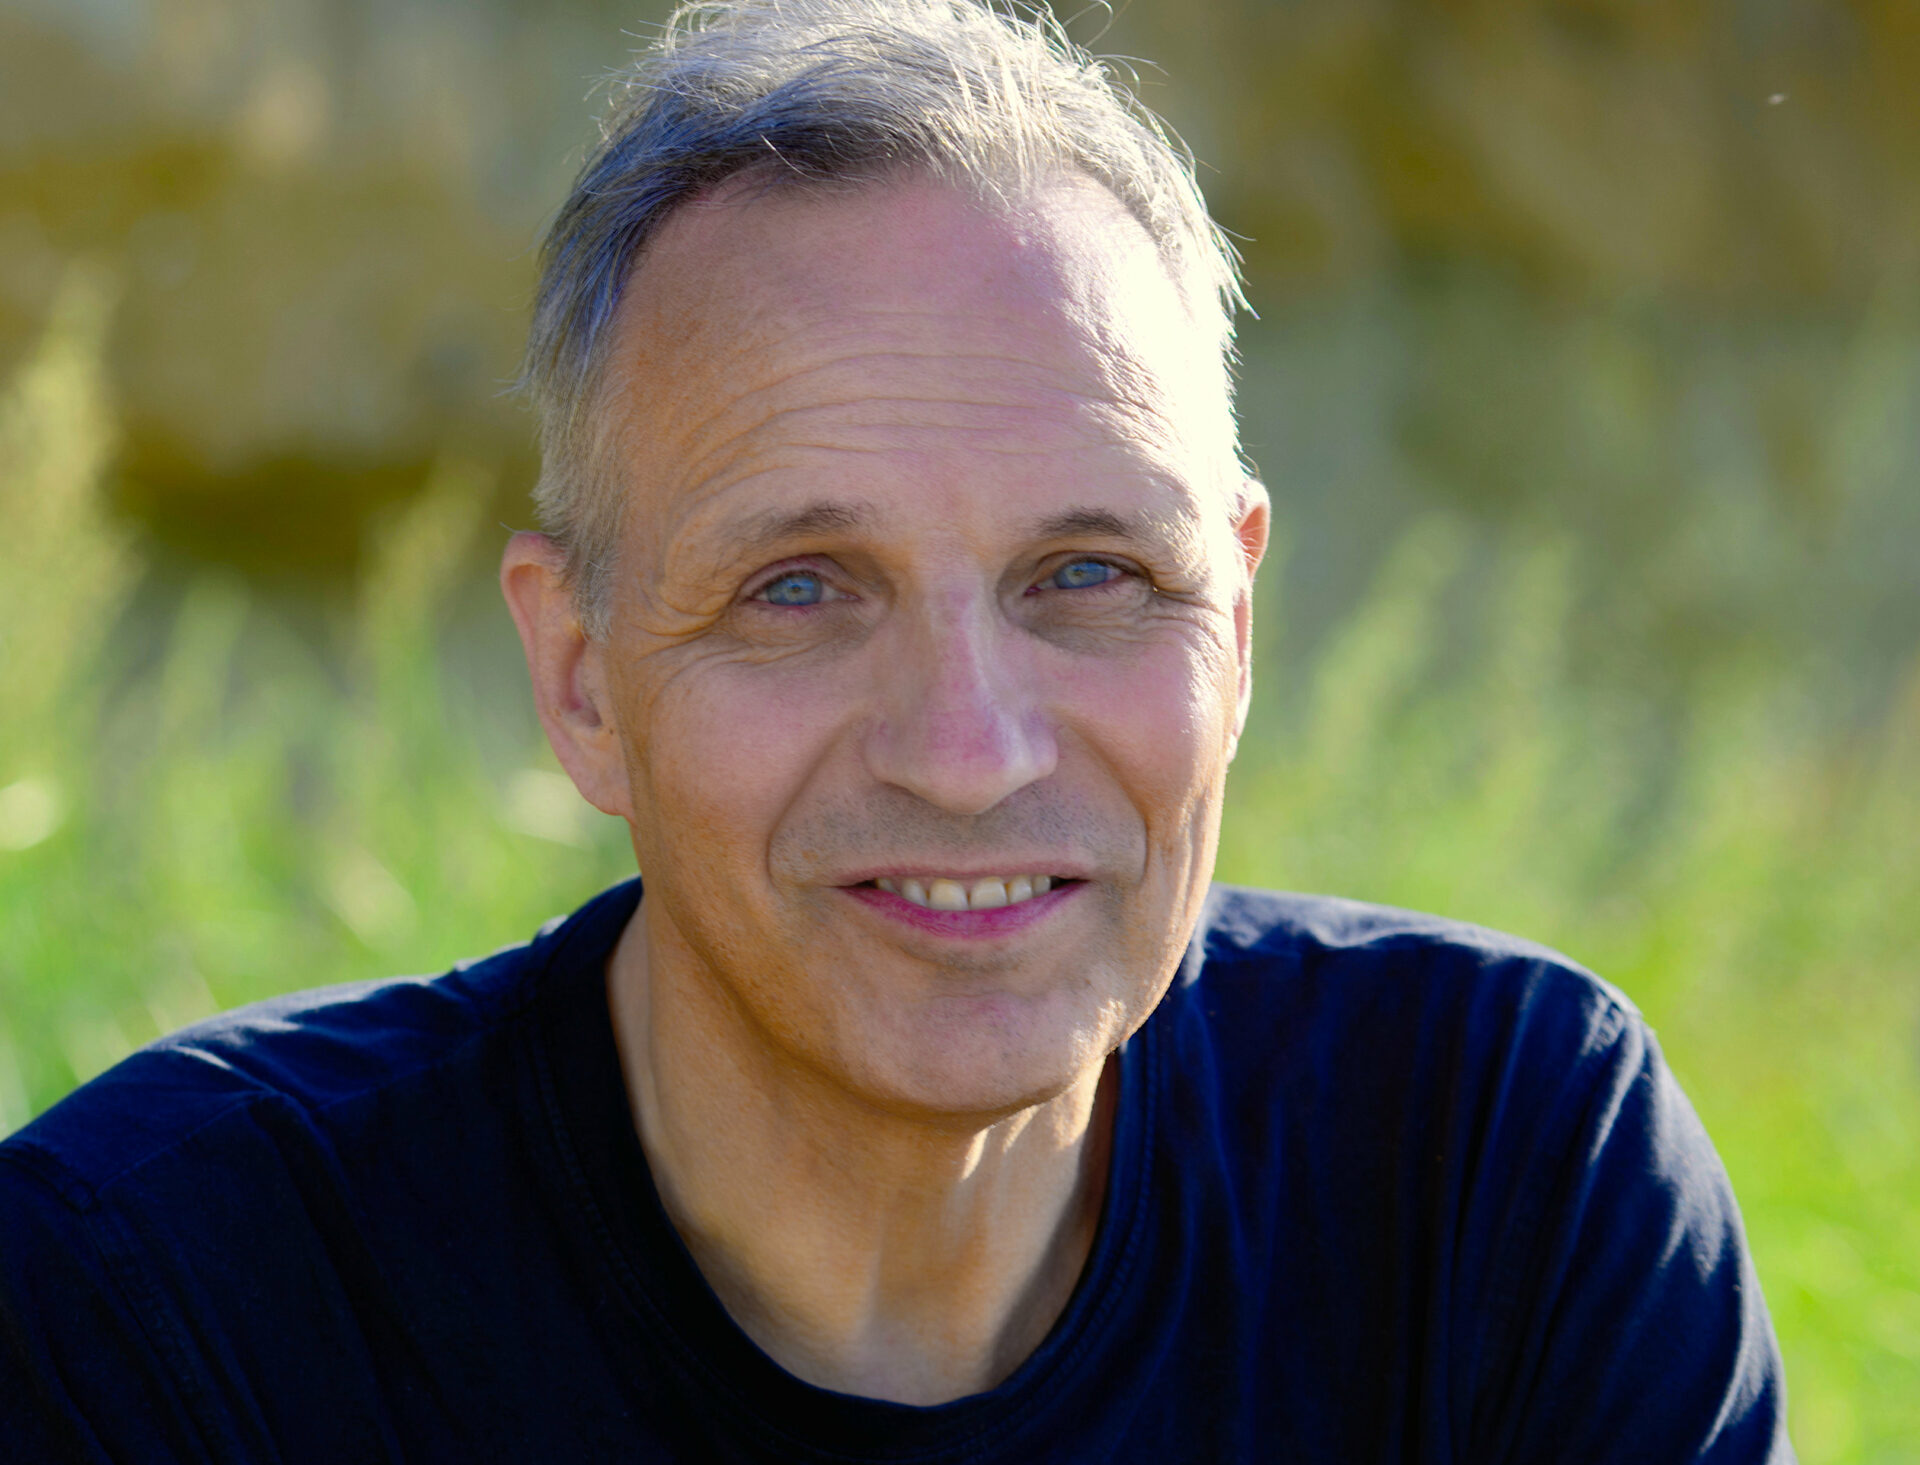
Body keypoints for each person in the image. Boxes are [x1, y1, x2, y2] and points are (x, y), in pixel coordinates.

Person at [1, 1, 1793, 1459]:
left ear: (1236, 629)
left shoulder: (1498, 1183)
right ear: (583, 679)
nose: (968, 750)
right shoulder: (168, 1307)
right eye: (799, 589)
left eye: (1089, 575)